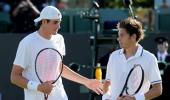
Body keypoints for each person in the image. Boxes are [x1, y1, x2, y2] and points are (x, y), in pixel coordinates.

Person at [10, 6, 103, 100]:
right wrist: (38, 87)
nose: (59, 26)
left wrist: (86, 82)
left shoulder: (59, 39)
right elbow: (14, 77)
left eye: (59, 22)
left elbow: (59, 68)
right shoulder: (27, 43)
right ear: (44, 21)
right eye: (55, 22)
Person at [102, 17, 162, 100]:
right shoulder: (113, 56)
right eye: (118, 35)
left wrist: (135, 98)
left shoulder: (150, 59)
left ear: (133, 37)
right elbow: (107, 83)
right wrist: (106, 98)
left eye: (122, 35)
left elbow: (158, 89)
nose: (118, 39)